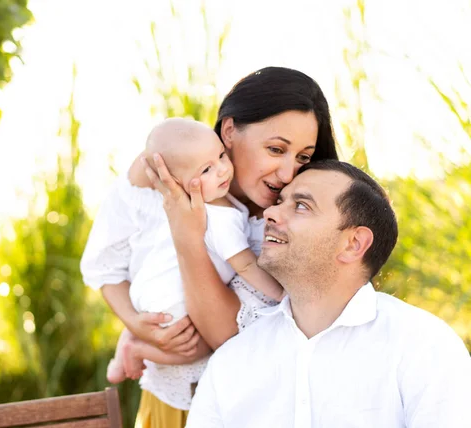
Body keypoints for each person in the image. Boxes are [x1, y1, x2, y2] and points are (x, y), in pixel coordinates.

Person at [85, 66, 339, 427]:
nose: (287, 173)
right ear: (230, 130)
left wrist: (188, 238)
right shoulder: (164, 172)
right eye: (276, 149)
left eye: (301, 157)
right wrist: (137, 327)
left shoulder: (288, 221)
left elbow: (226, 337)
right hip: (168, 403)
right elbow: (104, 266)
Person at [182, 160, 471, 427]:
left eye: (301, 206)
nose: (270, 213)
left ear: (354, 243)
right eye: (280, 201)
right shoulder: (232, 360)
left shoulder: (424, 346)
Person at [81, 118, 285, 402]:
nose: (223, 170)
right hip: (169, 301)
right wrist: (282, 294)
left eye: (221, 157)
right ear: (175, 182)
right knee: (198, 346)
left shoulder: (188, 206)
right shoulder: (221, 218)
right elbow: (247, 265)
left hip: (149, 287)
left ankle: (129, 336)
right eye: (207, 169)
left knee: (159, 317)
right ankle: (136, 350)